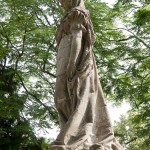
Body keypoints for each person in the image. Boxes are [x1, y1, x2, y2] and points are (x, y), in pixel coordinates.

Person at [50, 0, 123, 149]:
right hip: (62, 62)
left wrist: (72, 62)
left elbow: (77, 37)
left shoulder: (77, 13)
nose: (60, 3)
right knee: (60, 99)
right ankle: (69, 134)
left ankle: (74, 136)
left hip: (73, 61)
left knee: (73, 97)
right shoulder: (66, 17)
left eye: (62, 0)